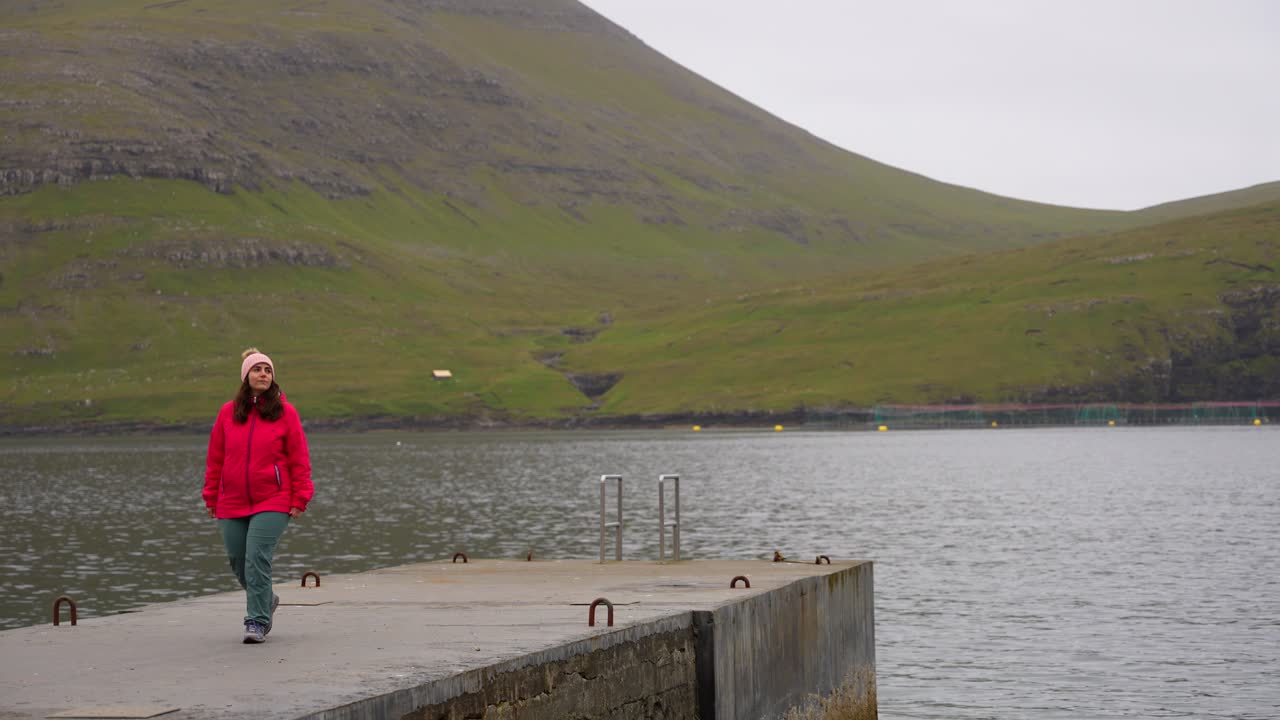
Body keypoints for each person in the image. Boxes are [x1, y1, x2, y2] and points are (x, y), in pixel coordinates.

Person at [203, 348, 313, 644]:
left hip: (273, 499)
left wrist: (300, 497)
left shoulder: (286, 412)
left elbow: (299, 458)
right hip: (231, 500)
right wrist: (211, 497)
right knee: (237, 560)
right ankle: (267, 599)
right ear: (246, 376)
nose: (263, 374)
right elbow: (215, 458)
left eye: (267, 370)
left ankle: (257, 621)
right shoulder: (227, 412)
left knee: (256, 558)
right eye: (257, 369)